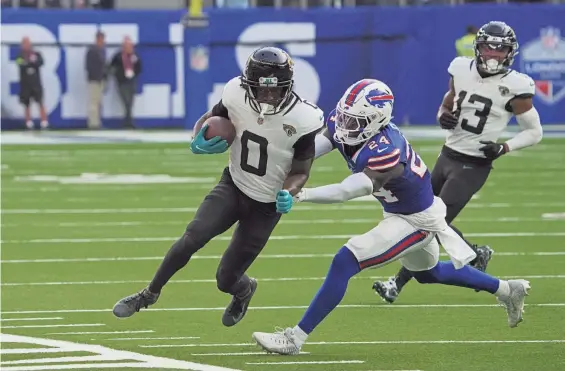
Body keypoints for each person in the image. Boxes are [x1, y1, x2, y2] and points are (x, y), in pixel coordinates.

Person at [251, 78, 531, 355]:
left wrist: (303, 194)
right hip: (404, 211)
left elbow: (349, 190)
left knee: (345, 261)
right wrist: (281, 162)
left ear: (376, 121)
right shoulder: (350, 122)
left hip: (416, 221)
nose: (346, 126)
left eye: (355, 122)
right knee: (428, 273)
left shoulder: (387, 150)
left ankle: (295, 338)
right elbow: (316, 147)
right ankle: (508, 289)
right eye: (345, 118)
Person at [112, 46, 324, 327]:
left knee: (226, 278)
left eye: (275, 90)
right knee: (192, 236)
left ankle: (244, 290)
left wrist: (290, 191)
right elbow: (211, 117)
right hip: (234, 184)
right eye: (261, 89)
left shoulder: (303, 118)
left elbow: (300, 170)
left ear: (288, 86)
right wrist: (196, 138)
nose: (268, 96)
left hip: (266, 204)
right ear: (248, 85)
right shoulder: (235, 92)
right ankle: (148, 294)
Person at [373, 21, 543, 304]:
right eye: (489, 46)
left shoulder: (516, 85)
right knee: (421, 215)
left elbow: (534, 132)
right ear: (478, 47)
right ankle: (476, 254)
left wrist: (503, 147)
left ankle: (396, 283)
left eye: (500, 50)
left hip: (474, 164)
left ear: (510, 53)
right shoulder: (460, 68)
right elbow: (449, 100)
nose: (493, 54)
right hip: (448, 154)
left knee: (432, 222)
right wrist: (443, 113)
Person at [17, 37, 49, 130]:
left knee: (40, 102)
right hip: (25, 83)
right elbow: (20, 64)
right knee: (26, 103)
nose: (26, 46)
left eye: (27, 43)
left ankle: (44, 122)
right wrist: (28, 63)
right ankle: (28, 123)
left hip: (35, 82)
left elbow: (40, 62)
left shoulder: (36, 54)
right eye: (24, 44)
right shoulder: (20, 55)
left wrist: (31, 62)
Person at [109, 37, 141, 128]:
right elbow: (112, 67)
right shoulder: (118, 56)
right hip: (122, 82)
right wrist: (118, 75)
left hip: (132, 81)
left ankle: (128, 121)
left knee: (130, 102)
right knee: (126, 101)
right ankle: (128, 121)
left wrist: (134, 74)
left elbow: (139, 67)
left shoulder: (135, 56)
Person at [85, 30, 106, 129]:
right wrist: (95, 76)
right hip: (94, 79)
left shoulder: (101, 51)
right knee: (94, 102)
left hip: (99, 79)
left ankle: (97, 121)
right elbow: (89, 66)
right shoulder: (92, 51)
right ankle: (93, 123)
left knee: (98, 102)